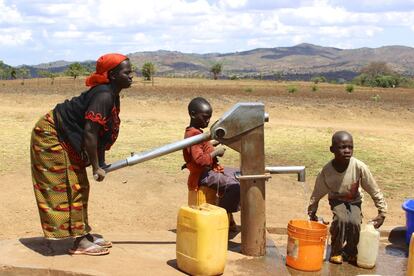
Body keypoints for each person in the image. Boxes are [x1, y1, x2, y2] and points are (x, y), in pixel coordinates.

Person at [30, 53, 133, 256]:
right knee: (72, 184)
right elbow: (90, 132)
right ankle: (79, 242)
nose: (131, 76)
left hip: (63, 135)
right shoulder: (103, 95)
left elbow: (101, 131)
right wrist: (96, 166)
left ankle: (82, 234)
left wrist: (101, 161)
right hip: (51, 136)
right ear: (112, 75)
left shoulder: (111, 94)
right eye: (127, 72)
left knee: (79, 185)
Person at [307, 131, 387, 264]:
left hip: (355, 200)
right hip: (337, 199)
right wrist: (312, 212)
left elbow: (373, 189)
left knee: (355, 222)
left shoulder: (359, 167)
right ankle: (336, 251)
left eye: (350, 147)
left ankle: (350, 251)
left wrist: (382, 212)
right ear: (332, 149)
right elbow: (317, 193)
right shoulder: (326, 171)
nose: (347, 151)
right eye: (342, 147)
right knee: (341, 219)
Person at [182, 97, 240, 231]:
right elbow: (199, 160)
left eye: (210, 118)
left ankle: (227, 213)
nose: (208, 121)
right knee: (235, 185)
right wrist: (215, 153)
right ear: (192, 114)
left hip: (210, 171)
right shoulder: (193, 135)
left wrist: (215, 143)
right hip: (203, 175)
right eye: (205, 117)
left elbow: (202, 146)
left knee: (241, 174)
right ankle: (223, 216)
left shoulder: (196, 133)